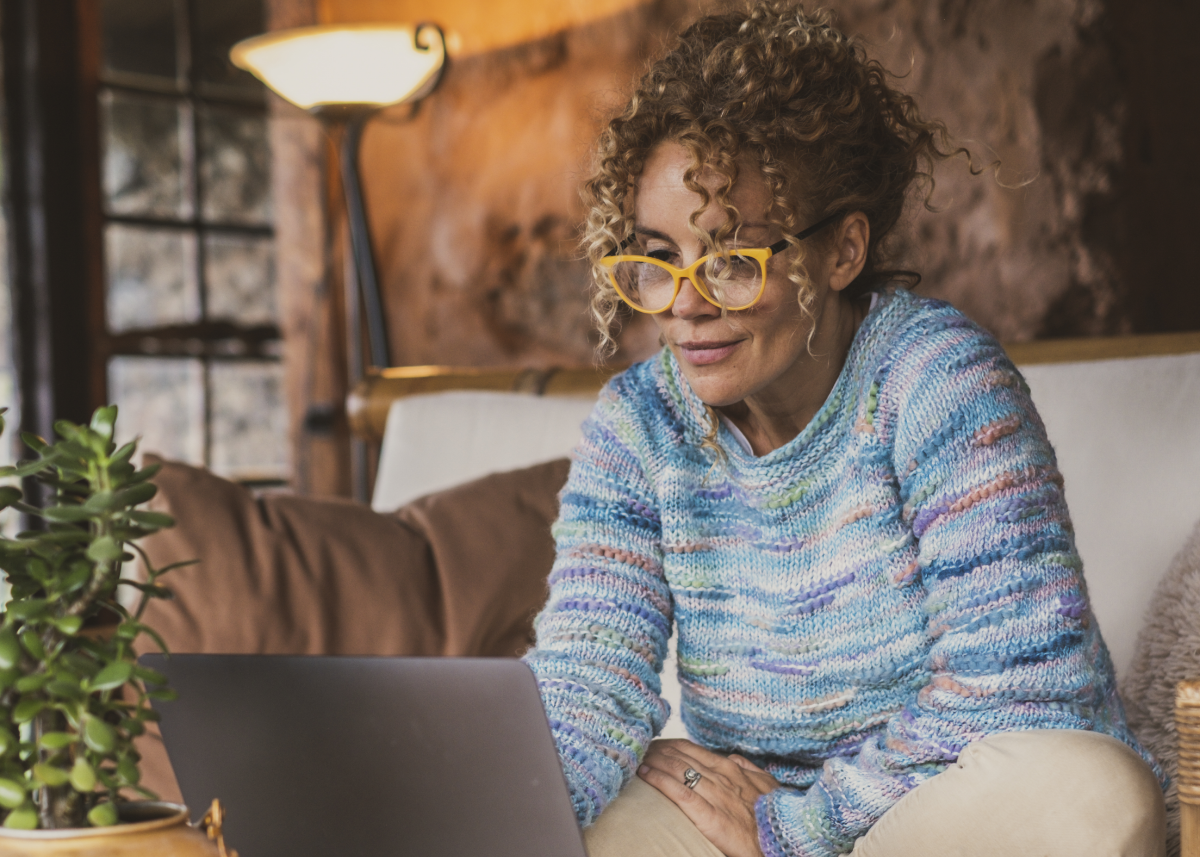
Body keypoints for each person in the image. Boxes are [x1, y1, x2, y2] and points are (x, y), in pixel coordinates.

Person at [521, 3, 1167, 855]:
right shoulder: (638, 428)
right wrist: (497, 813)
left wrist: (798, 826)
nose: (684, 304)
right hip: (744, 817)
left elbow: (1027, 690)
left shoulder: (936, 381)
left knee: (1094, 794)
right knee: (575, 822)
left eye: (730, 259)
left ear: (842, 251)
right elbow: (585, 685)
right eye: (659, 258)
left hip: (930, 805)